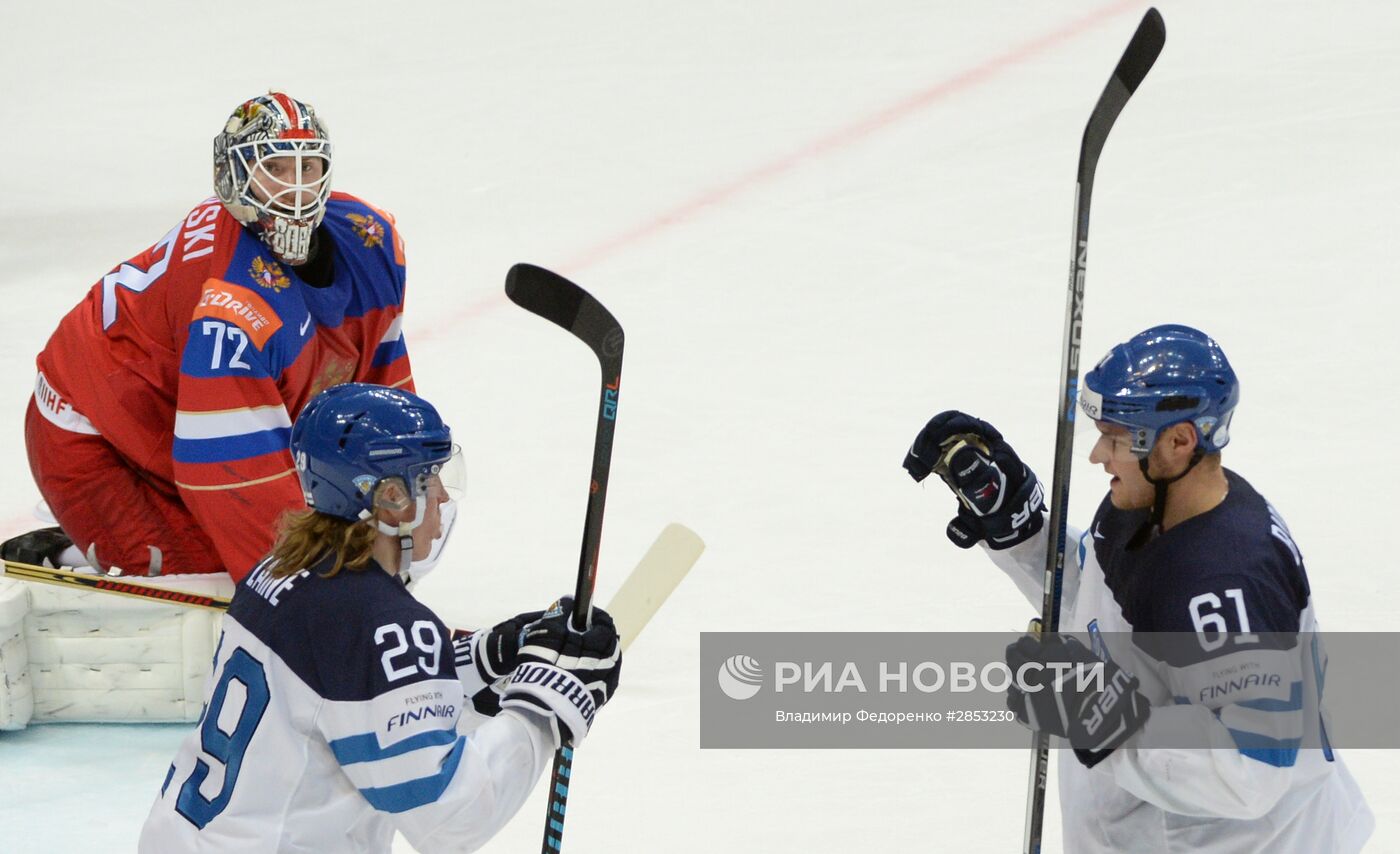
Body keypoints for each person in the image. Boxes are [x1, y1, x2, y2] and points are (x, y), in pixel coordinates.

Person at [903, 324, 1373, 853]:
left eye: (1118, 439)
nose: (1098, 454)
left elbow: (1254, 769)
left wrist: (1100, 717)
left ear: (1179, 441)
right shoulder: (1149, 509)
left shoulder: (1223, 589)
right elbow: (1109, 607)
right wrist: (1025, 534)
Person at [139, 383, 621, 852]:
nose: (444, 501)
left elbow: (365, 700)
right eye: (430, 481)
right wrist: (544, 705)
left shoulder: (283, 570)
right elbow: (450, 819)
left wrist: (488, 660)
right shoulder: (378, 622)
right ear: (391, 498)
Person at [5, 91, 413, 582]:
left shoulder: (372, 240)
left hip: (175, 412)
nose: (297, 190)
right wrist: (315, 587)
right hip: (93, 434)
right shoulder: (234, 305)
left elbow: (382, 397)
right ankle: (73, 549)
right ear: (232, 176)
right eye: (276, 169)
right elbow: (238, 490)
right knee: (213, 578)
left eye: (308, 168)